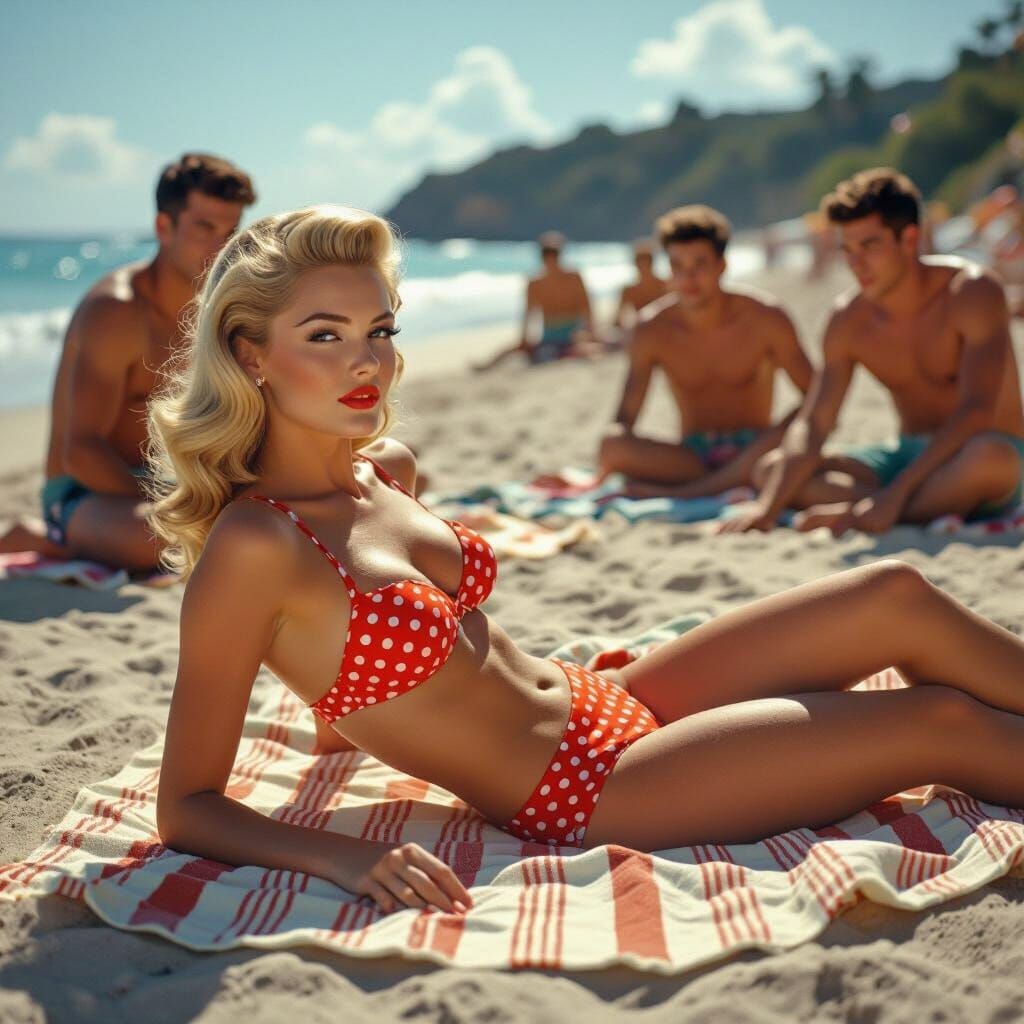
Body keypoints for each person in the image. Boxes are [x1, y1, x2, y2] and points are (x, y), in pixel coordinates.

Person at [149, 205, 1024, 917]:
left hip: (614, 694)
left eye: (377, 329)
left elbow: (359, 675)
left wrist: (347, 709)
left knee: (893, 593)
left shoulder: (388, 472)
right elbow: (186, 804)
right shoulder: (254, 547)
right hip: (595, 791)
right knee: (936, 722)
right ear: (250, 354)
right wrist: (343, 856)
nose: (366, 363)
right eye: (325, 336)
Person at [724, 168, 1024, 536]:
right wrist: (767, 507)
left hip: (973, 452)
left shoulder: (971, 292)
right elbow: (815, 422)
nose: (856, 264)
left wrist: (896, 494)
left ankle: (870, 511)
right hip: (904, 456)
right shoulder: (848, 320)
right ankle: (901, 507)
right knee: (771, 469)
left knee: (993, 460)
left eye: (870, 246)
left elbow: (976, 410)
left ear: (909, 238)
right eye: (847, 249)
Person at [0, 152, 256, 569]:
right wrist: (182, 505)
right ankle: (44, 534)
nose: (219, 247)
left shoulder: (216, 310)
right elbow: (79, 453)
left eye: (230, 231)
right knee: (166, 541)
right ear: (163, 226)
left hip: (169, 482)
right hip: (87, 490)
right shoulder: (117, 311)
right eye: (205, 228)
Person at [597, 205, 813, 497]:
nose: (688, 278)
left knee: (802, 424)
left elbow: (817, 397)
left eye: (699, 265)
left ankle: (696, 490)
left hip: (758, 448)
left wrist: (779, 435)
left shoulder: (765, 318)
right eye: (678, 266)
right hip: (693, 457)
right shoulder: (652, 329)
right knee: (611, 444)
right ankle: (722, 482)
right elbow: (624, 419)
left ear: (722, 265)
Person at [473, 231, 599, 370]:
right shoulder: (534, 283)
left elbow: (587, 307)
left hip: (573, 332)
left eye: (554, 254)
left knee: (582, 349)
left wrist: (590, 332)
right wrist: (524, 338)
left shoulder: (573, 278)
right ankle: (486, 366)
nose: (551, 259)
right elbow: (528, 313)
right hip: (549, 334)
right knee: (514, 349)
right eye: (547, 254)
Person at [611, 238, 669, 334]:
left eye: (645, 265)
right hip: (641, 331)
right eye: (640, 265)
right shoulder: (629, 290)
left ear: (651, 264)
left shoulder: (665, 286)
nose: (642, 269)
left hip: (664, 330)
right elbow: (616, 321)